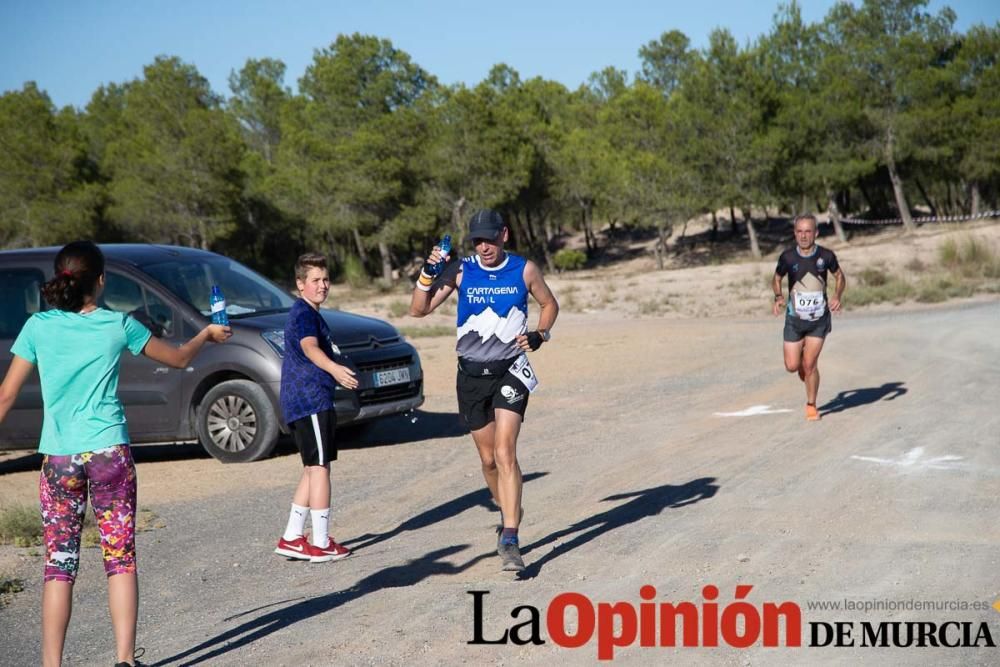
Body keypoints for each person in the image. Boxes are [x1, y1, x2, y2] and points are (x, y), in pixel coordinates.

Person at [0, 241, 231, 667]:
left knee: (58, 563)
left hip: (59, 458)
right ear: (100, 281)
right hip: (109, 453)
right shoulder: (119, 325)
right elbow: (179, 359)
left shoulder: (37, 327)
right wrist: (206, 333)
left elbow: (6, 396)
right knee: (119, 557)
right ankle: (124, 659)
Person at [409, 209, 559, 572]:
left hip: (511, 371)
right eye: (477, 240)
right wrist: (428, 273)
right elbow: (418, 309)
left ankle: (510, 536)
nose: (483, 246)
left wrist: (541, 334)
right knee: (488, 459)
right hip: (471, 377)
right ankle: (508, 506)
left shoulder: (524, 269)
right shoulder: (461, 270)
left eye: (489, 238)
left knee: (506, 452)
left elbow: (549, 304)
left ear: (504, 235)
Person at [274, 253, 359, 564]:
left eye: (325, 279)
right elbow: (310, 347)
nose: (323, 285)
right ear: (300, 284)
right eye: (315, 280)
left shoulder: (305, 312)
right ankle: (321, 542)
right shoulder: (305, 315)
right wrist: (335, 370)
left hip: (301, 401)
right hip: (310, 400)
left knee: (312, 467)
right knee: (321, 467)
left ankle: (293, 537)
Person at [772, 214, 846, 421]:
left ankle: (811, 405)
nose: (804, 236)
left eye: (808, 231)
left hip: (818, 320)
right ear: (795, 233)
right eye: (799, 231)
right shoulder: (787, 257)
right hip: (794, 320)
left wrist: (837, 296)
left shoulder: (826, 256)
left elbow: (840, 276)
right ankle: (802, 362)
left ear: (816, 233)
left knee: (810, 364)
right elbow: (777, 278)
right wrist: (778, 296)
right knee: (792, 366)